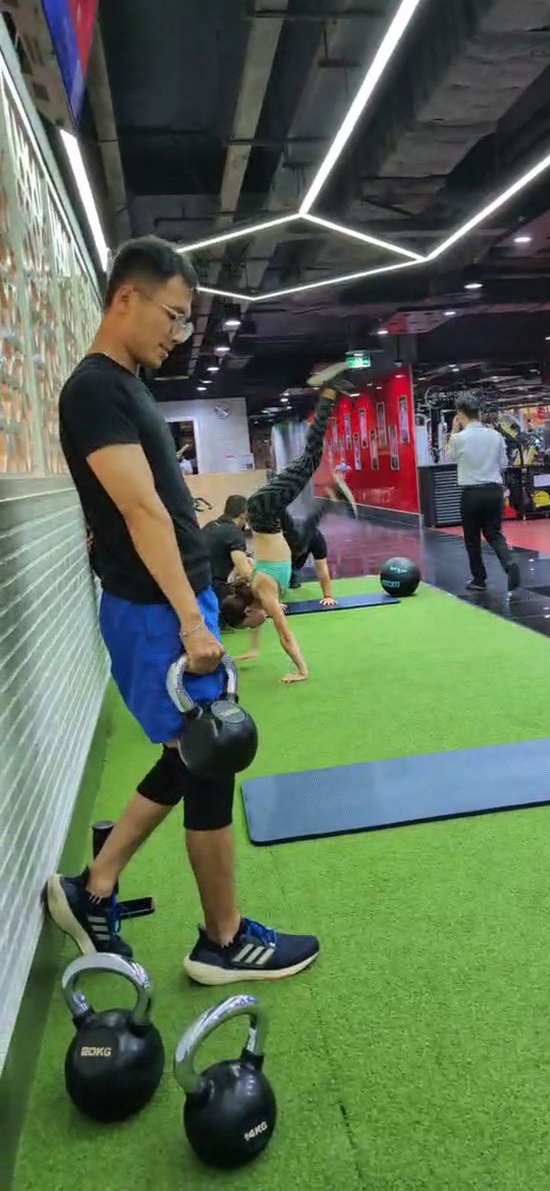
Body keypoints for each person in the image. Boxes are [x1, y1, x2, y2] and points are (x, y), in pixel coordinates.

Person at [46, 234, 319, 985]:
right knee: (211, 763)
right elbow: (141, 513)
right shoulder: (95, 388)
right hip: (158, 609)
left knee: (188, 754)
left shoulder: (125, 383)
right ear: (125, 298)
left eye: (185, 322)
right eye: (170, 316)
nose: (177, 334)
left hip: (173, 600)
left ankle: (92, 889)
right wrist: (194, 622)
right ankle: (223, 942)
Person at [220, 388, 358, 665]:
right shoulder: (257, 597)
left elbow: (285, 635)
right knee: (301, 542)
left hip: (263, 512)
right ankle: (331, 497)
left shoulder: (263, 593)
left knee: (310, 460)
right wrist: (254, 649)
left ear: (249, 611)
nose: (257, 626)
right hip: (272, 520)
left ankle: (328, 396)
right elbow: (258, 619)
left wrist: (301, 669)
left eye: (250, 625)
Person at [447, 393, 520, 592]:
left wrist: (453, 431)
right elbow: (504, 464)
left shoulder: (458, 439)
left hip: (471, 493)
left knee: (472, 538)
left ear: (460, 415)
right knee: (494, 533)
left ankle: (479, 579)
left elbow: (450, 457)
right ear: (479, 413)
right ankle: (509, 563)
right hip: (494, 490)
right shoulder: (495, 436)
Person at [202, 494, 250, 604]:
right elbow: (245, 574)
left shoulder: (209, 525)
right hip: (216, 590)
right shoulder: (235, 534)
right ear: (243, 515)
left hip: (197, 586)